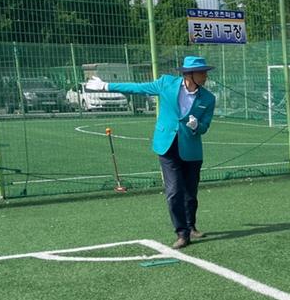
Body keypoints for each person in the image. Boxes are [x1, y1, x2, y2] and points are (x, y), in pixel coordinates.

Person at [90, 56, 216, 249]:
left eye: (205, 72)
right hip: (167, 146)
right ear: (188, 74)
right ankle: (182, 233)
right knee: (174, 191)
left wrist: (196, 126)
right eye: (202, 72)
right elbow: (137, 88)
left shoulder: (208, 98)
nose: (205, 76)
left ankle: (191, 226)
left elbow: (205, 126)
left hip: (191, 150)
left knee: (190, 193)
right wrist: (106, 86)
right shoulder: (166, 84)